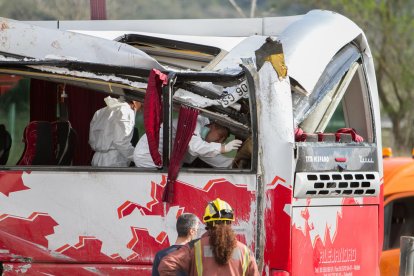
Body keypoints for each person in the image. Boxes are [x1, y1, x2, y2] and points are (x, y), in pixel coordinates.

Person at [158, 198, 260, 276]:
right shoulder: (245, 251)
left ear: (208, 223)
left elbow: (166, 265)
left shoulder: (195, 247)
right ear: (230, 222)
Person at [134, 116, 242, 168]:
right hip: (148, 157)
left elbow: (210, 156)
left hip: (162, 160)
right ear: (214, 125)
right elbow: (195, 147)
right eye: (221, 135)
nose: (220, 141)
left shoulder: (201, 138)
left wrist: (235, 163)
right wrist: (223, 148)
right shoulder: (194, 122)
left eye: (223, 141)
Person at [89, 96, 141, 167]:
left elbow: (92, 140)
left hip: (97, 159)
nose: (141, 109)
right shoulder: (126, 111)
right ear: (135, 101)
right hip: (114, 161)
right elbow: (121, 142)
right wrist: (138, 158)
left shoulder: (100, 111)